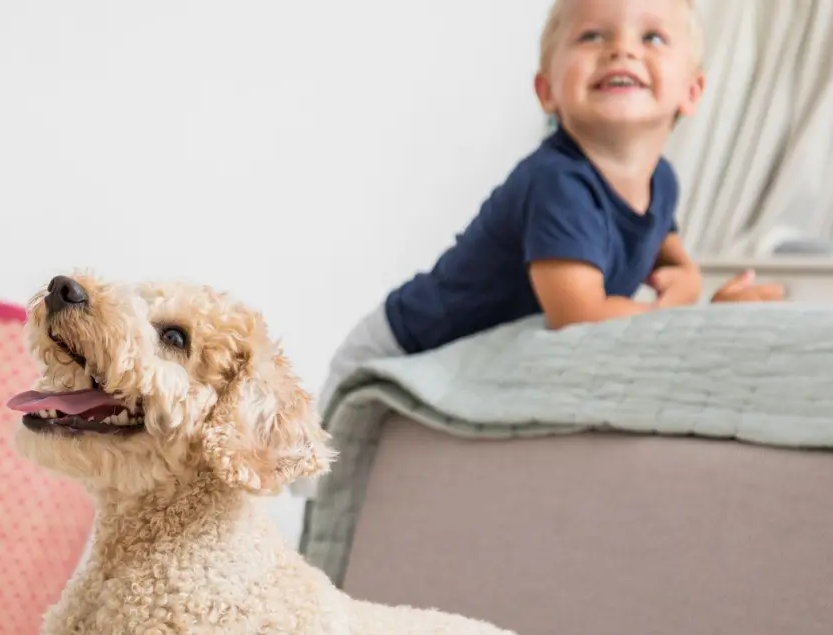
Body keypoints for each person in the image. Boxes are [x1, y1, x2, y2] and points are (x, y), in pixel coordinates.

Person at [315, 0, 783, 417]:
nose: (622, 49)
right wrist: (695, 317)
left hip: (467, 359)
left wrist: (690, 282)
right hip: (399, 350)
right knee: (340, 487)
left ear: (692, 92)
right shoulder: (557, 182)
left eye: (652, 36)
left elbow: (668, 256)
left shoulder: (662, 181)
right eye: (592, 35)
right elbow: (579, 316)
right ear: (547, 91)